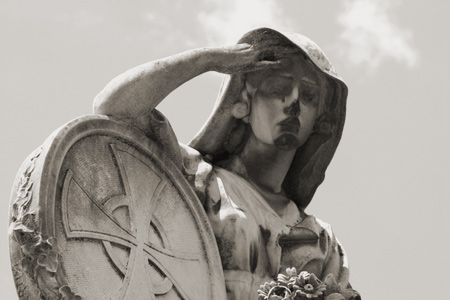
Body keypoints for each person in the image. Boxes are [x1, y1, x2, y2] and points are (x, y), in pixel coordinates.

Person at [94, 28, 359, 300]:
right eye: (278, 89)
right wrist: (207, 60)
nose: (293, 103)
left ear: (319, 119)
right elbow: (113, 106)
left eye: (309, 97)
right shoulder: (197, 179)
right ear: (243, 102)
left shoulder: (322, 240)